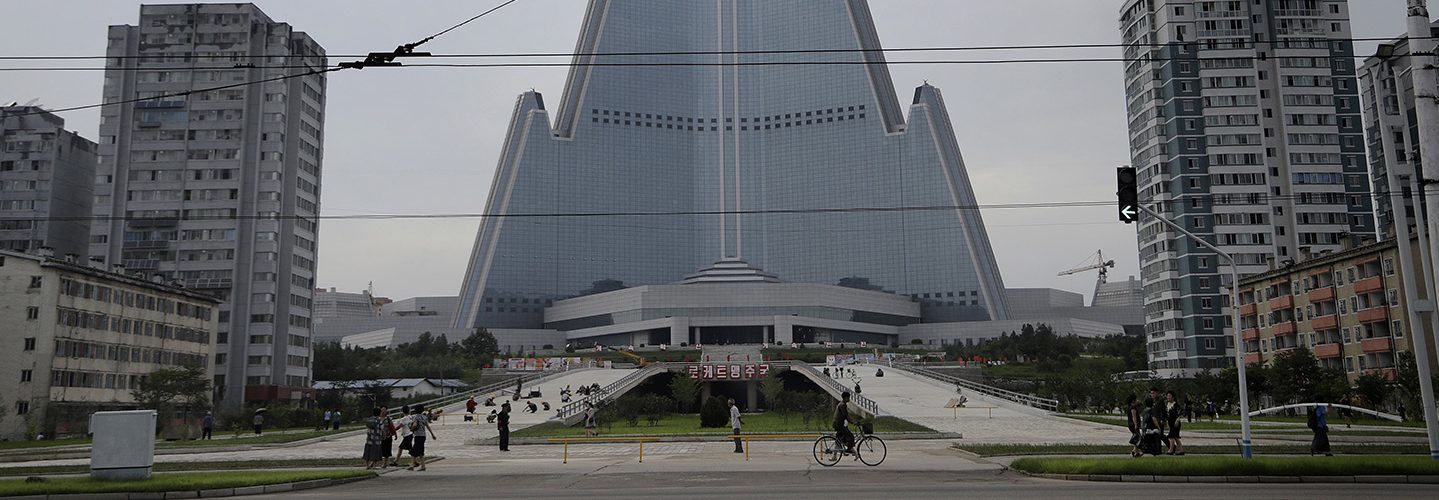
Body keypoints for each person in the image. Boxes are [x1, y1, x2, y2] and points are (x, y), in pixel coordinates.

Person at [407, 405, 436, 471]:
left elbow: (414, 425)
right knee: (420, 451)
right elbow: (428, 426)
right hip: (423, 435)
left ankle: (412, 465)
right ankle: (423, 466)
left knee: (413, 451)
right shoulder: (424, 417)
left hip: (418, 435)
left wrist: (411, 429)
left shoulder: (415, 417)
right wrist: (432, 435)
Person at [1164, 391, 1184, 455]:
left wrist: (1177, 420)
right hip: (1170, 423)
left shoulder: (1175, 404)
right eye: (1167, 396)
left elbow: (1179, 413)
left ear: (1173, 397)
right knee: (1175, 437)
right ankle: (1181, 450)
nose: (1168, 397)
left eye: (1169, 396)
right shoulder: (1167, 404)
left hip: (1175, 423)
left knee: (1172, 436)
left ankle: (1171, 450)